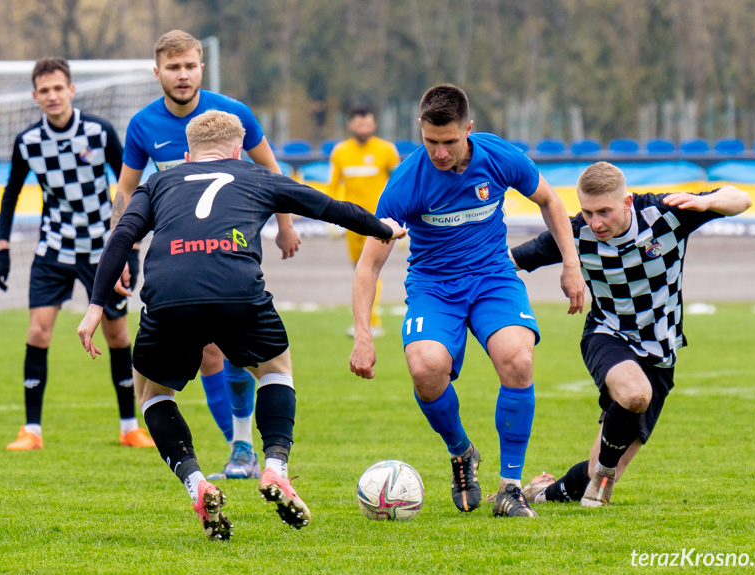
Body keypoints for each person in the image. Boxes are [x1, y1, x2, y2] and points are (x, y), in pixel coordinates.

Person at [77, 110, 405, 539]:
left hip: (170, 297)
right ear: (237, 150)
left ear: (187, 155)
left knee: (153, 393)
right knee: (275, 369)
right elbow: (326, 207)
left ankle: (197, 483)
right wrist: (382, 227)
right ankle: (275, 468)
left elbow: (122, 234)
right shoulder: (256, 175)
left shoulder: (158, 182)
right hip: (238, 293)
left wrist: (96, 306)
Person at [349, 84, 585, 518]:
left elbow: (550, 200)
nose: (439, 153)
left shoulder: (498, 157)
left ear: (469, 130)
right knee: (425, 368)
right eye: (431, 142)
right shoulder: (406, 182)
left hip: (493, 277)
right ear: (421, 130)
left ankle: (511, 488)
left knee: (518, 359)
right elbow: (368, 267)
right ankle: (462, 453)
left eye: (449, 142)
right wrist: (363, 335)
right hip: (434, 286)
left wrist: (570, 263)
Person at [113, 30, 300, 479]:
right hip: (179, 252)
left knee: (232, 351)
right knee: (211, 352)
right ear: (157, 72)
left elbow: (273, 172)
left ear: (202, 67)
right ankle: (240, 448)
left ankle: (242, 450)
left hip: (232, 248)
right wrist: (121, 248)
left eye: (190, 65)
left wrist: (286, 226)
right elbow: (125, 189)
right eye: (173, 67)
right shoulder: (143, 125)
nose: (182, 75)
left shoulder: (232, 114)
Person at [511, 161, 752, 507]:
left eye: (604, 212)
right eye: (588, 212)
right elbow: (511, 260)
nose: (595, 222)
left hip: (660, 352)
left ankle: (545, 491)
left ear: (626, 203)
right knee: (635, 394)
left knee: (601, 468)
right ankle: (599, 488)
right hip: (607, 335)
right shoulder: (577, 233)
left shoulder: (665, 213)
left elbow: (739, 198)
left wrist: (706, 203)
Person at [0, 58, 153, 450]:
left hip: (104, 249)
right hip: (54, 248)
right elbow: (11, 193)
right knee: (38, 331)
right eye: (44, 90)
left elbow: (128, 188)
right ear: (35, 96)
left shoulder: (99, 131)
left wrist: (130, 250)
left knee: (117, 334)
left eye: (58, 88)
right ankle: (32, 430)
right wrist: (2, 248)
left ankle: (130, 426)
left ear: (71, 90)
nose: (52, 96)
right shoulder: (28, 141)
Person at [327, 108, 401, 337]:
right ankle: (365, 322)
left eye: (367, 124)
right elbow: (332, 185)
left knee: (371, 269)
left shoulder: (386, 151)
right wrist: (330, 218)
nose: (363, 129)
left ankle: (372, 322)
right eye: (359, 125)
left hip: (379, 222)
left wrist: (400, 218)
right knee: (359, 270)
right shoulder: (340, 152)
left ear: (374, 125)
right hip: (351, 222)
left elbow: (399, 185)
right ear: (351, 125)